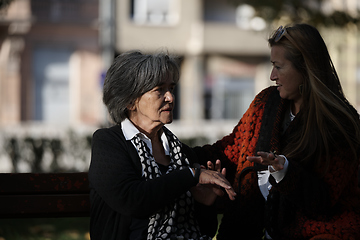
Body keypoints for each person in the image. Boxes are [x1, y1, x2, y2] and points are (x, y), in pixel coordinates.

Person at [193, 23, 360, 240]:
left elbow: (323, 201)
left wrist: (286, 172)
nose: (272, 75)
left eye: (278, 67)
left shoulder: (340, 122)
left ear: (305, 68)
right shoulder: (266, 103)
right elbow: (229, 150)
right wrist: (175, 155)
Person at [88, 50, 236, 240]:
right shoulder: (108, 143)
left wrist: (204, 204)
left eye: (171, 88)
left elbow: (204, 231)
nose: (170, 98)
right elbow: (132, 200)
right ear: (130, 101)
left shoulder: (182, 153)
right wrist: (191, 175)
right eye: (159, 90)